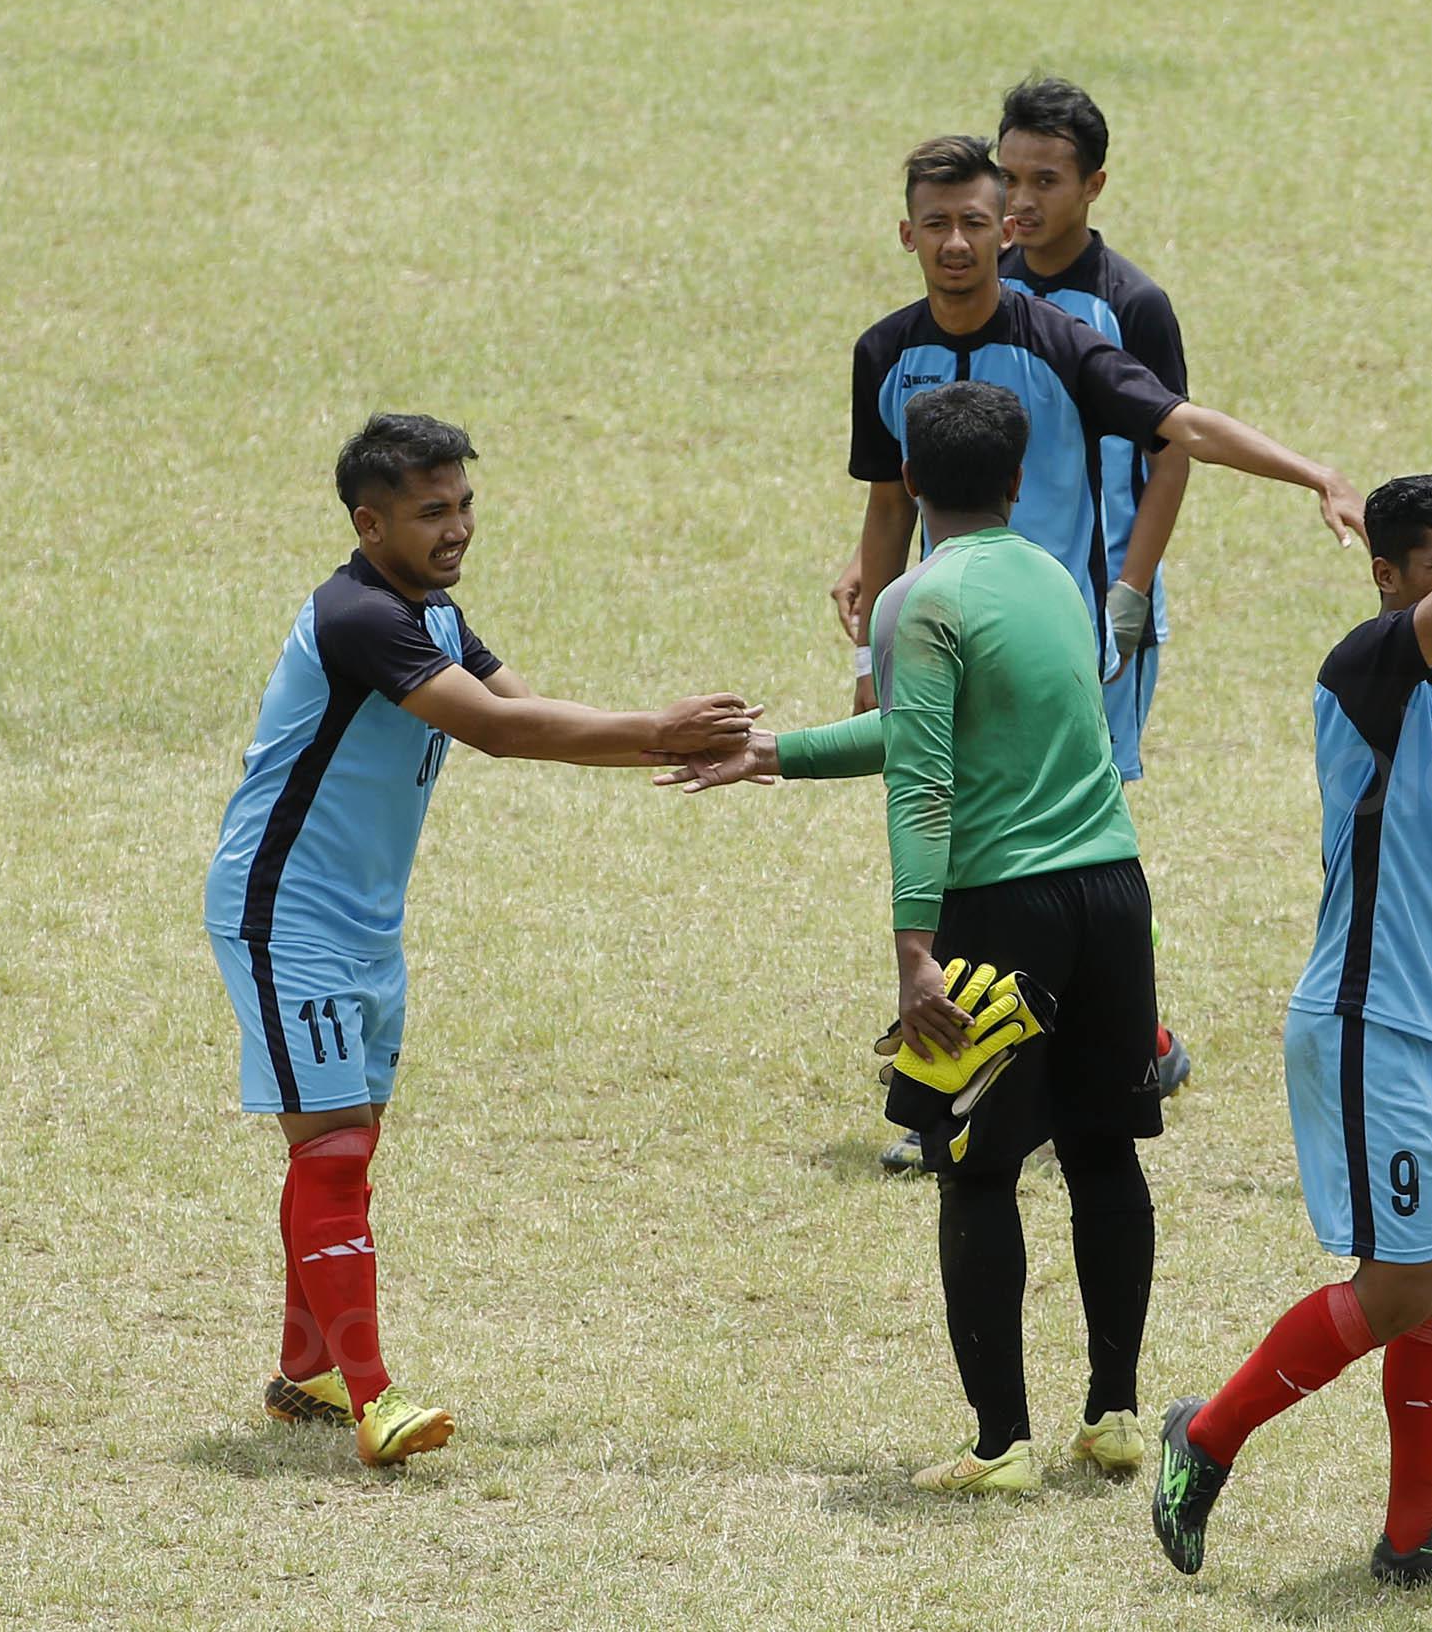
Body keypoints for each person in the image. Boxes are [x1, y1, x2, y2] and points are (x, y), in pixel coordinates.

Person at [205, 413, 758, 1465]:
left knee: (342, 1139)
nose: (456, 528)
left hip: (361, 918)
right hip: (287, 913)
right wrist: (657, 727)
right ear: (371, 524)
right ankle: (372, 1398)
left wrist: (663, 742)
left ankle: (309, 1364)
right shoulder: (360, 616)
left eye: (463, 505)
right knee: (334, 1145)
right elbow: (501, 728)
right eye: (431, 512)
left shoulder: (432, 613)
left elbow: (528, 711)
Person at [666, 381, 1170, 1489]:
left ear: (909, 480)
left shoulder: (915, 598)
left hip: (1002, 910)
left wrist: (912, 948)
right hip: (1113, 893)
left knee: (976, 1170)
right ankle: (1116, 1412)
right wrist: (774, 752)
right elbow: (931, 729)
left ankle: (1000, 1445)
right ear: (1016, 475)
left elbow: (926, 777)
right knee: (1102, 1151)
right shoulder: (1054, 578)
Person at [828, 132, 1359, 1172]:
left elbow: (1183, 428)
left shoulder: (1065, 340)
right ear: (906, 233)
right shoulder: (882, 353)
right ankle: (979, 1080)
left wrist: (1314, 473)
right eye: (935, 223)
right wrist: (868, 657)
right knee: (955, 850)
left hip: (1051, 645)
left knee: (1034, 860)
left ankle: (1044, 1072)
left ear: (1006, 230)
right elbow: (888, 504)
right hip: (939, 640)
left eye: (976, 222)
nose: (956, 242)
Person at [1150, 361, 1432, 1592]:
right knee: (1396, 1284)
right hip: (1370, 1023)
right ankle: (1202, 1439)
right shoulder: (1371, 662)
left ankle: (1413, 1533)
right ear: (1387, 576)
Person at [993, 76, 1197, 1100]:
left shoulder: (1132, 304)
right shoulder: (976, 279)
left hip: (1095, 612)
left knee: (1084, 825)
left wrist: (1131, 589)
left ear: (1094, 185)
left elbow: (1173, 452)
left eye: (1046, 179)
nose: (1021, 199)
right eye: (1010, 174)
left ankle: (1134, 1036)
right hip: (988, 604)